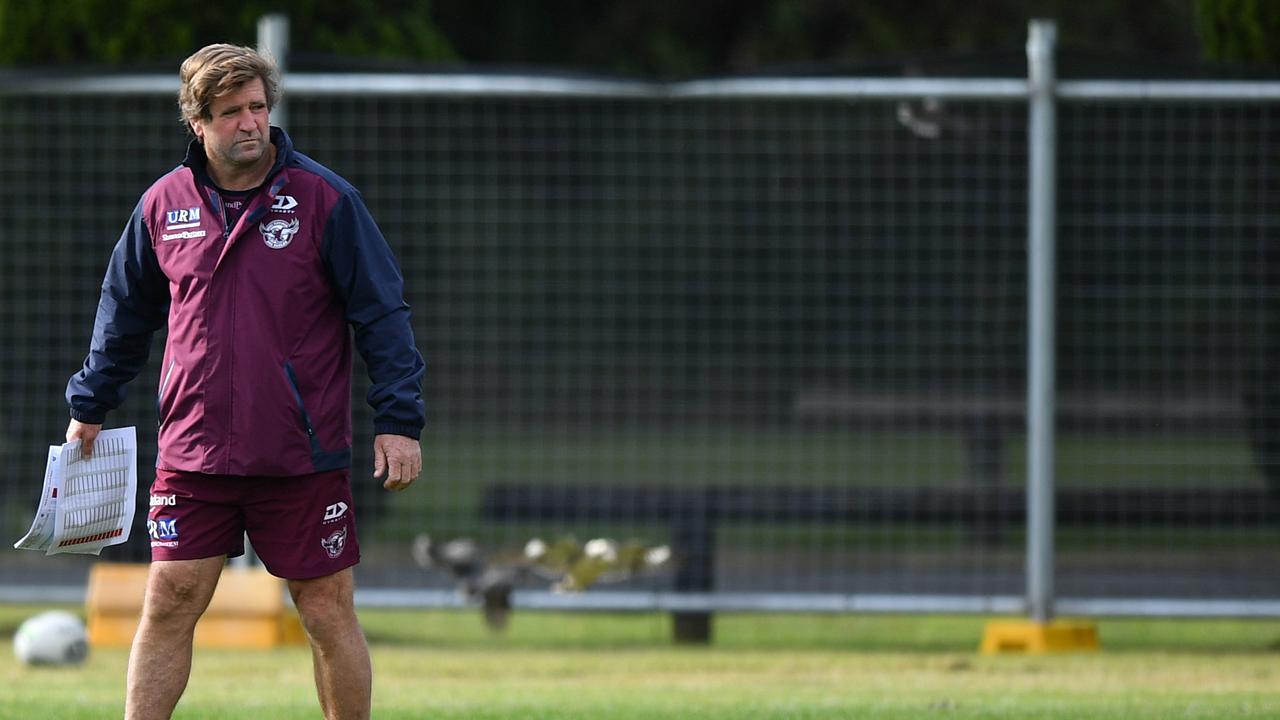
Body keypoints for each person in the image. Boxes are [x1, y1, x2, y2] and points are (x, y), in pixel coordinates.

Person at [64, 43, 425, 720]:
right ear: (196, 122)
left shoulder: (325, 199)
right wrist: (90, 404)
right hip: (194, 452)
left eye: (258, 107)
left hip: (299, 452)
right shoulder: (161, 206)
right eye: (231, 112)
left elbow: (383, 315)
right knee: (168, 598)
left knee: (324, 608)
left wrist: (400, 421)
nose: (250, 123)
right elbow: (123, 314)